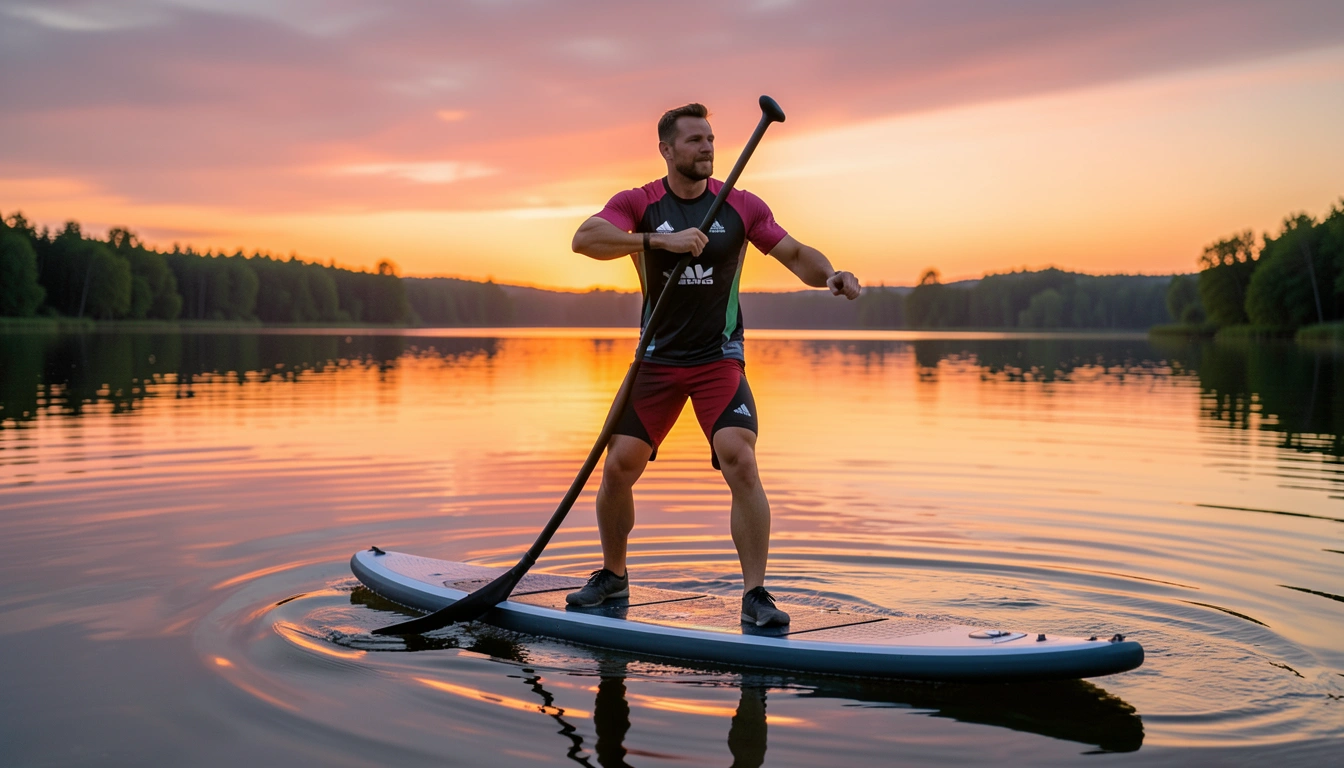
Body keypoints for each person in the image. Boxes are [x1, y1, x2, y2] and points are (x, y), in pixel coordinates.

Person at [568, 103, 860, 627]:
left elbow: (794, 254)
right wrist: (660, 240)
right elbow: (585, 239)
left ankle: (756, 596)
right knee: (617, 467)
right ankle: (613, 577)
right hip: (655, 359)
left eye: (710, 138)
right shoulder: (638, 203)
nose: (707, 147)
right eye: (694, 140)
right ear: (666, 150)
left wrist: (831, 274)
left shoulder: (740, 206)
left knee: (739, 457)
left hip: (717, 358)